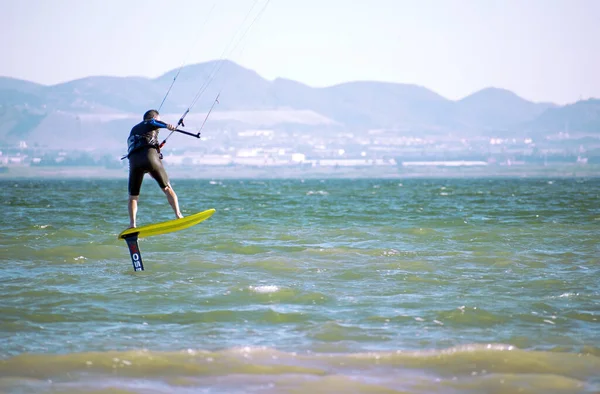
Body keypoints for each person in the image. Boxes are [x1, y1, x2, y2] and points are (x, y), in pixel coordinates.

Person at [125, 109, 183, 228]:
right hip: (150, 158)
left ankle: (132, 225)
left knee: (133, 196)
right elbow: (153, 122)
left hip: (134, 163)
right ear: (155, 118)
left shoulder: (133, 130)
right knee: (167, 188)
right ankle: (178, 215)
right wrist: (167, 126)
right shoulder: (150, 122)